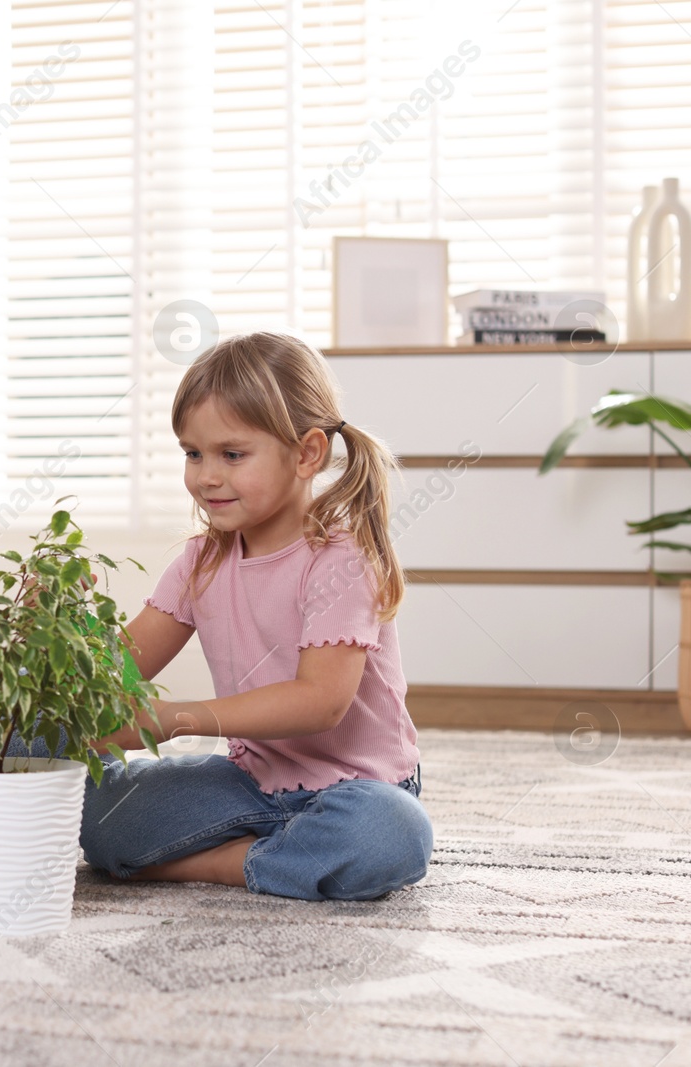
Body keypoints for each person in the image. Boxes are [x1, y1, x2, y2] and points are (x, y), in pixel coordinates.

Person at [80, 332, 434, 901]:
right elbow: (120, 667)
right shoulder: (201, 562)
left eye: (232, 454)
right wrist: (70, 645)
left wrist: (174, 719)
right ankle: (284, 856)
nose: (205, 476)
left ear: (306, 454)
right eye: (192, 454)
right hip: (251, 782)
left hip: (359, 787)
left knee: (390, 835)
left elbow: (321, 702)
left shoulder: (339, 560)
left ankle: (226, 862)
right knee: (102, 819)